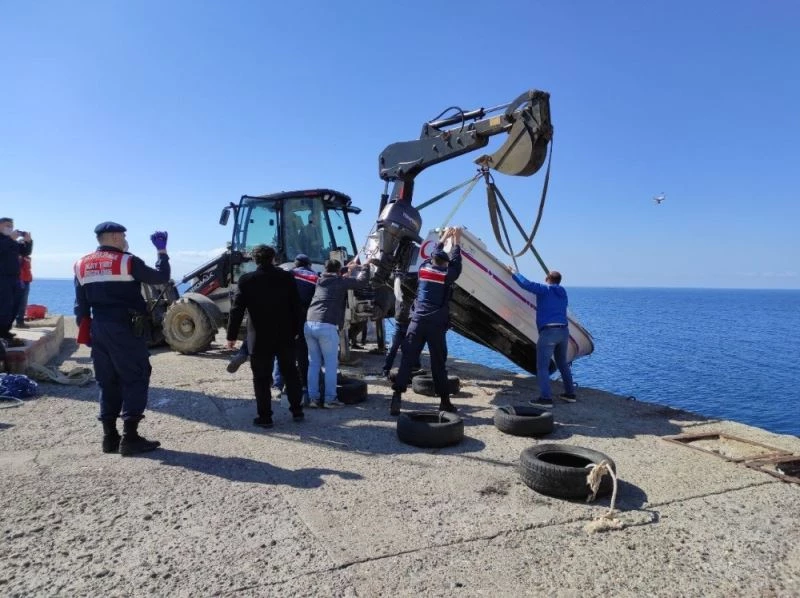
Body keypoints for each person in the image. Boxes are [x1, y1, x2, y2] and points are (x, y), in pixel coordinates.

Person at [74, 222, 170, 455]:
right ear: (116, 237)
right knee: (135, 377)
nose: (126, 240)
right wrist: (162, 252)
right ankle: (130, 438)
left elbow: (80, 306)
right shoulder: (127, 261)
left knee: (107, 381)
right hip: (126, 328)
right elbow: (161, 278)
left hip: (99, 327)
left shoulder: (81, 264)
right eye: (124, 236)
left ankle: (110, 438)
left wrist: (89, 333)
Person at [226, 245, 305, 428]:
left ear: (255, 260)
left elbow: (237, 310)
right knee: (291, 373)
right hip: (285, 334)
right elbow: (297, 306)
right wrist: (296, 331)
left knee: (261, 378)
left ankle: (265, 417)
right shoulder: (287, 277)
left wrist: (231, 336)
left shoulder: (246, 280)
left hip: (259, 337)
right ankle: (297, 411)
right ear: (273, 258)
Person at [390, 227, 463, 416]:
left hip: (416, 322)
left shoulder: (423, 270)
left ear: (432, 260)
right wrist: (457, 240)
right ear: (444, 264)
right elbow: (457, 263)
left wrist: (444, 237)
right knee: (438, 363)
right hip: (435, 325)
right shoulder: (446, 275)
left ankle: (396, 398)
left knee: (407, 360)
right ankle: (444, 402)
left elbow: (433, 253)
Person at [508, 268, 577, 408]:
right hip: (563, 331)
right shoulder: (562, 292)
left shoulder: (544, 289)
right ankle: (570, 394)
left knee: (542, 367)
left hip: (549, 332)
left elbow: (526, 284)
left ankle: (546, 399)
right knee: (562, 363)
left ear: (547, 279)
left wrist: (514, 273)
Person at [304, 258, 368, 408]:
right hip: (327, 326)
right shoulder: (340, 282)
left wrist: (346, 268)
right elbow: (361, 282)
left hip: (309, 323)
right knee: (331, 365)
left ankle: (313, 399)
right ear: (338, 271)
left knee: (313, 364)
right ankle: (330, 399)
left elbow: (335, 274)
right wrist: (365, 267)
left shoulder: (319, 280)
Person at [267, 254, 318, 403]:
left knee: (281, 352)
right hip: (304, 318)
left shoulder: (288, 274)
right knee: (303, 353)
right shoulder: (315, 277)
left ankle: (278, 385)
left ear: (296, 264)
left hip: (285, 318)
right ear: (308, 264)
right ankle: (305, 385)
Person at [0, 218, 32, 347]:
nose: (10, 228)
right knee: (4, 306)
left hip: (15, 278)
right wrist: (10, 239)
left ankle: (5, 331)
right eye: (7, 225)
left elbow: (25, 252)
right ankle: (1, 333)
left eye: (11, 226)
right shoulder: (7, 240)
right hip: (2, 278)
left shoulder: (12, 241)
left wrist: (28, 242)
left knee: (15, 305)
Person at [382, 271, 419, 377]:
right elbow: (390, 277)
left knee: (410, 349)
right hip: (399, 323)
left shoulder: (414, 292)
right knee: (393, 349)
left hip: (409, 324)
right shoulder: (398, 287)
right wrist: (398, 276)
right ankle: (386, 370)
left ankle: (415, 369)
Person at [16, 254, 33, 328]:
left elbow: (28, 269)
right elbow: (18, 269)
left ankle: (20, 321)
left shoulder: (27, 258)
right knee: (22, 302)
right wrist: (21, 280)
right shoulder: (20, 257)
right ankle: (19, 322)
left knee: (23, 302)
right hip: (22, 282)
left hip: (26, 281)